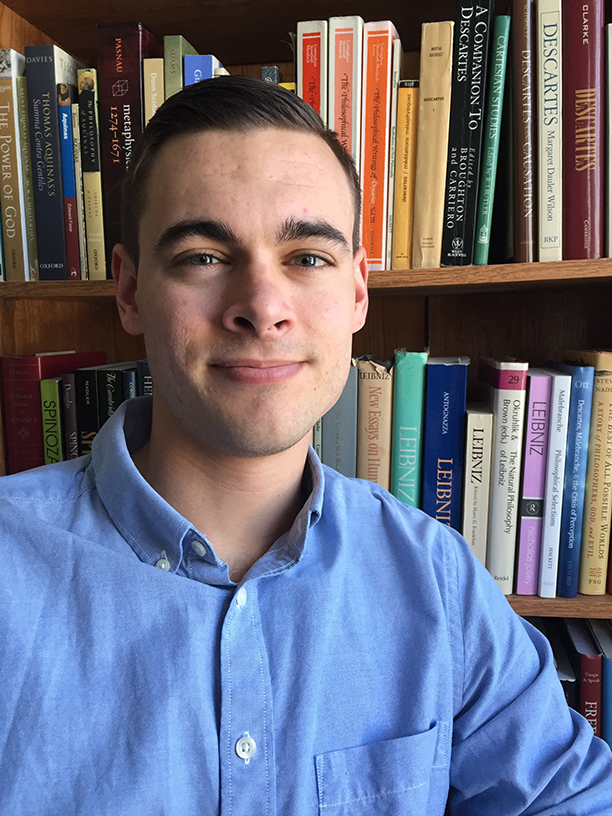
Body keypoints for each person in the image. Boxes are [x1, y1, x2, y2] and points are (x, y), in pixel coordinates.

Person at [0, 75, 611, 816]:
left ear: (357, 293)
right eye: (203, 256)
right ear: (129, 291)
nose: (262, 307)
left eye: (308, 258)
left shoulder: (437, 580)